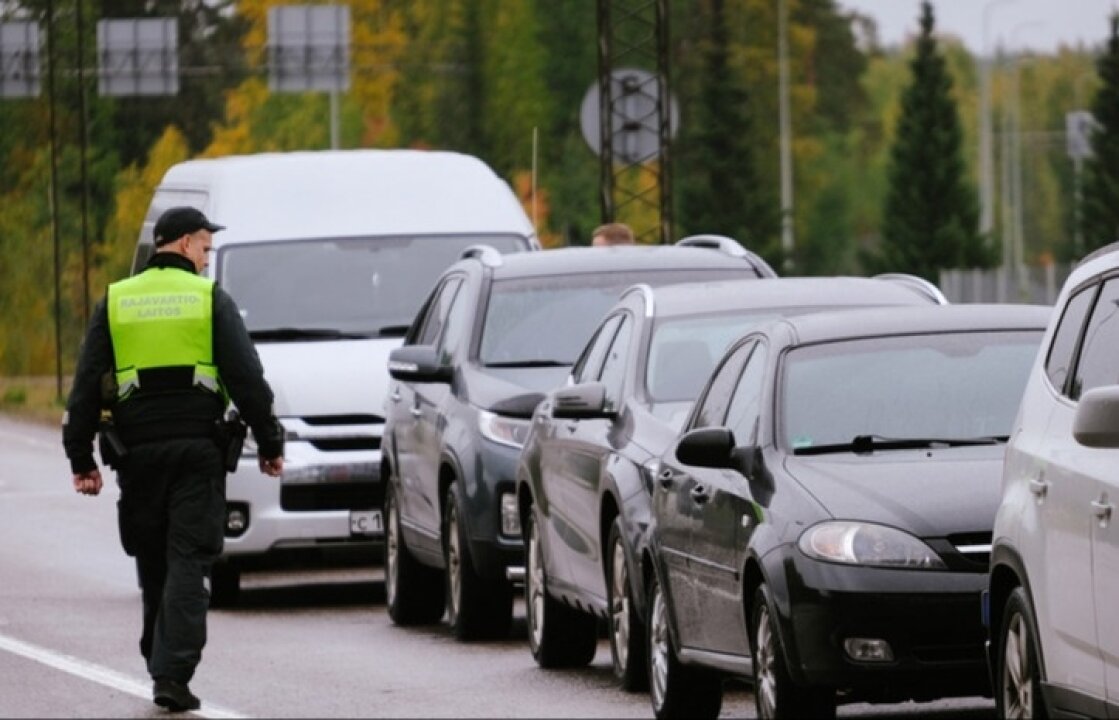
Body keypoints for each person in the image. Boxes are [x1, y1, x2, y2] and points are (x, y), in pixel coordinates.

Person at [63, 206, 285, 713]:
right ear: (184, 244)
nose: (208, 259)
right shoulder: (209, 300)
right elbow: (248, 379)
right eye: (206, 248)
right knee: (190, 557)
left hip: (136, 456)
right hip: (196, 453)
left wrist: (81, 458)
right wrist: (270, 444)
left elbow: (85, 383)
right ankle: (171, 670)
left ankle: (158, 657)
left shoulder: (117, 301)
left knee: (154, 559)